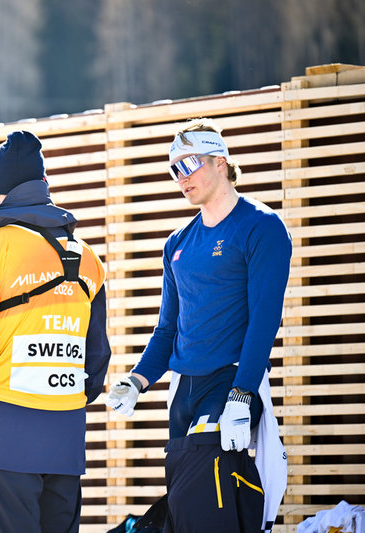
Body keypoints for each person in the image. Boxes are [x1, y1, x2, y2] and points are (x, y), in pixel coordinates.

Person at [104, 118, 291, 533]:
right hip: (183, 390)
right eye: (173, 169)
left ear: (220, 162)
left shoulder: (261, 227)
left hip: (229, 383)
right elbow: (167, 329)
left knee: (207, 497)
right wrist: (137, 381)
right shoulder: (177, 243)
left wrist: (242, 393)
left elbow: (265, 320)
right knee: (190, 505)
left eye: (188, 164)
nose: (180, 177)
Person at [0, 130, 112, 533]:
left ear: (0, 192)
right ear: (45, 185)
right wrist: (72, 400)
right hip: (65, 432)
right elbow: (97, 353)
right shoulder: (88, 258)